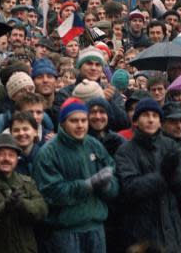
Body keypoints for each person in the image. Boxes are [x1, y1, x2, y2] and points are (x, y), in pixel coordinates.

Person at [32, 97, 118, 252]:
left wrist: (108, 187)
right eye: (74, 121)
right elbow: (50, 192)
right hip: (65, 232)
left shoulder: (94, 144)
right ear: (63, 123)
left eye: (83, 120)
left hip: (96, 228)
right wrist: (87, 185)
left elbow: (113, 173)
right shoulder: (49, 152)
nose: (80, 125)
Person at [114, 97, 181, 252]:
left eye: (155, 116)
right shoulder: (125, 151)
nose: (150, 120)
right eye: (145, 115)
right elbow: (131, 187)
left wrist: (174, 174)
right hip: (143, 233)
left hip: (173, 230)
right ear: (136, 121)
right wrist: (163, 176)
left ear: (160, 121)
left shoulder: (170, 145)